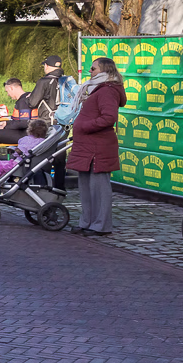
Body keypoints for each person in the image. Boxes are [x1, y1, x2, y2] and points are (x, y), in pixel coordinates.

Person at [70, 56, 125, 237]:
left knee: (99, 187)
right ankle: (87, 221)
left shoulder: (107, 90)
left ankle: (101, 225)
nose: (90, 71)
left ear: (104, 70)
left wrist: (85, 126)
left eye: (93, 69)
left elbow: (109, 118)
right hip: (87, 145)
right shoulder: (96, 89)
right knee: (86, 186)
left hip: (98, 146)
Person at [18, 56, 76, 191]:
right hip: (64, 122)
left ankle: (44, 187)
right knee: (60, 156)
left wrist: (28, 98)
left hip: (47, 124)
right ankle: (60, 188)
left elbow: (32, 102)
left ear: (47, 66)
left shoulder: (44, 81)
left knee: (45, 156)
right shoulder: (66, 81)